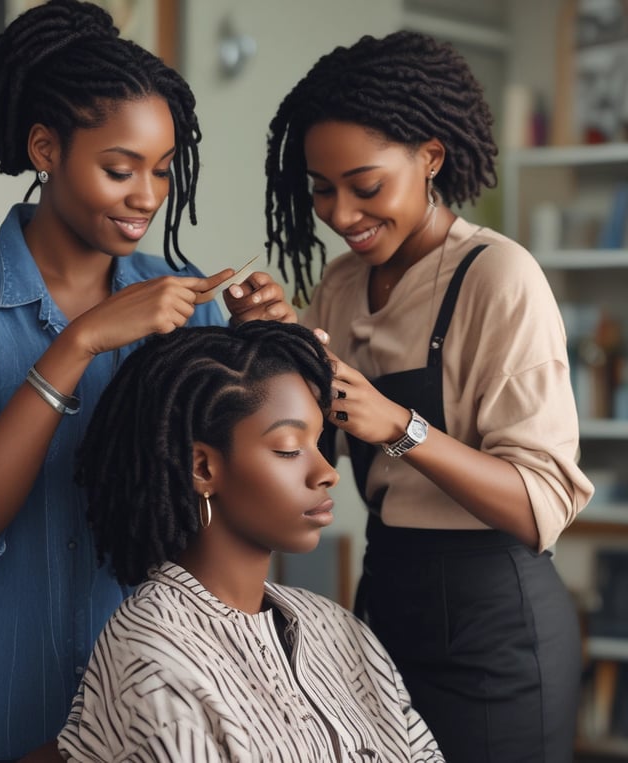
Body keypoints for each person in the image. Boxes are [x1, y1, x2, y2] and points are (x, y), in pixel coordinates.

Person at [0, 2, 293, 760]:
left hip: (144, 714)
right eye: (120, 168)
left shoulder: (191, 301)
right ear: (46, 148)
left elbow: (232, 496)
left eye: (162, 170)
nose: (147, 195)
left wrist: (264, 351)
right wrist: (81, 341)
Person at [263, 30, 595, 763]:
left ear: (430, 157)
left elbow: (541, 505)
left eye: (366, 186)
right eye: (321, 189)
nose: (342, 214)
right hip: (386, 602)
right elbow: (314, 444)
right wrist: (279, 342)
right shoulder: (344, 285)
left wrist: (398, 426)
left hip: (494, 626)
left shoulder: (498, 278)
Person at [56, 321, 444, 762]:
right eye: (288, 448)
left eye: (318, 442)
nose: (326, 472)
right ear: (202, 468)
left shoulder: (340, 630)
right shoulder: (154, 656)